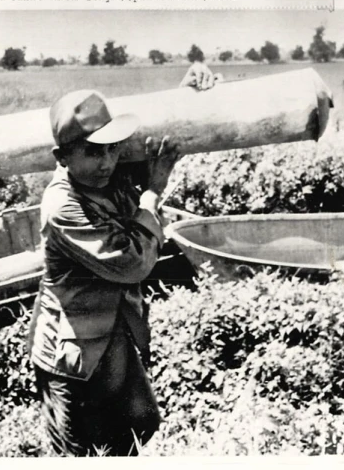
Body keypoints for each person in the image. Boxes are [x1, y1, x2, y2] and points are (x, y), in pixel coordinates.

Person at [28, 63, 217, 456]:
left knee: (142, 426)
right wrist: (153, 193)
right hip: (73, 357)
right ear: (61, 157)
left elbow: (157, 135)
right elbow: (133, 263)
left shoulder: (105, 175)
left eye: (112, 149)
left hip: (115, 339)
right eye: (92, 153)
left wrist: (186, 93)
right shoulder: (63, 204)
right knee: (81, 453)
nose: (106, 162)